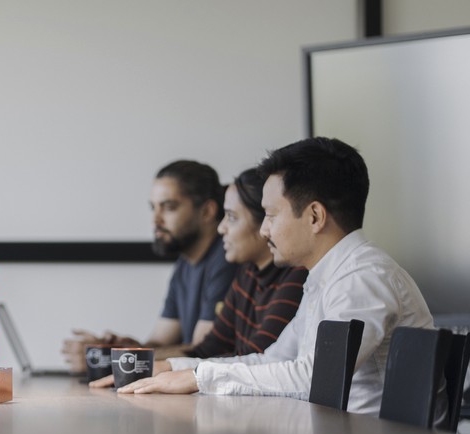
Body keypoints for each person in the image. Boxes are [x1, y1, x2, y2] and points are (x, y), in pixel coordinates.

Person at [121, 137, 435, 416]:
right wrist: (177, 367)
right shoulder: (325, 278)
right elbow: (273, 360)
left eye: (271, 215)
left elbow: (316, 378)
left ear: (314, 216)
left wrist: (199, 377)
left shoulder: (361, 278)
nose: (264, 229)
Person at [91, 168, 307, 388]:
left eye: (231, 217)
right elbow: (208, 349)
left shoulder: (294, 275)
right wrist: (131, 361)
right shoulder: (246, 273)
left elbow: (256, 358)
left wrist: (176, 371)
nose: (222, 228)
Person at [62, 160, 237, 369]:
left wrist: (110, 358)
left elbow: (203, 351)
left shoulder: (228, 258)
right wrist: (122, 348)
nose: (155, 220)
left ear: (207, 211)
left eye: (169, 207)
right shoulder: (184, 264)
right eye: (153, 208)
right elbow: (161, 342)